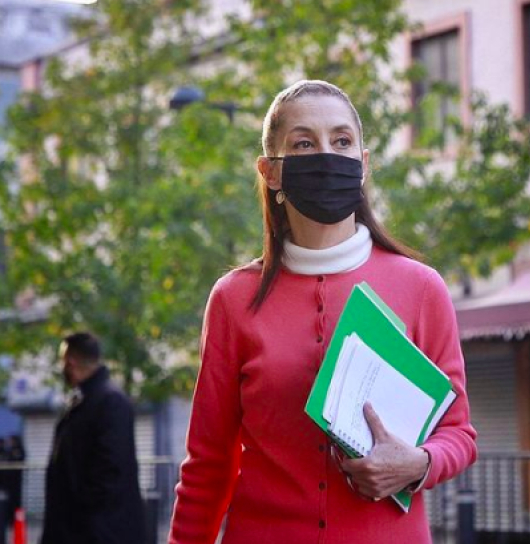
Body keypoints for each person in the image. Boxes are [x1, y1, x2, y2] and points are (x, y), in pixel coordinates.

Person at [169, 80, 477, 544]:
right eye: (304, 144)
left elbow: (459, 434)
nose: (326, 155)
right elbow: (207, 465)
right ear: (271, 172)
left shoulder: (421, 288)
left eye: (342, 141)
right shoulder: (234, 299)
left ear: (363, 163)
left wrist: (418, 464)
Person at [41, 332, 144, 544]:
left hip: (96, 533)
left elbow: (109, 475)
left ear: (70, 362)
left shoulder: (109, 402)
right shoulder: (88, 400)